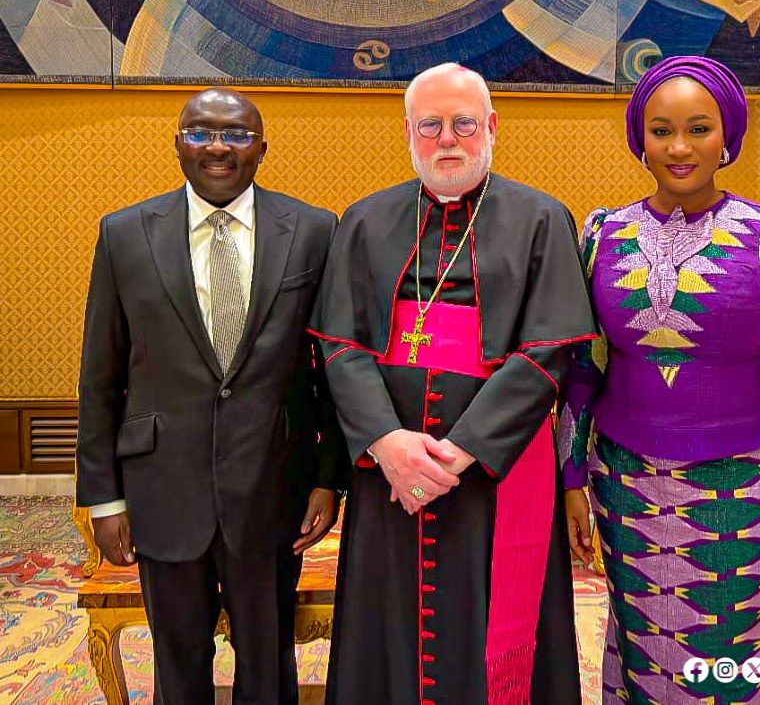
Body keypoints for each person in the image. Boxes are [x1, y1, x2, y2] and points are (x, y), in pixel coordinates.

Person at [310, 62, 597, 704]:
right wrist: (389, 443)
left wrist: (456, 453)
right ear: (408, 132)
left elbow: (546, 354)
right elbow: (340, 346)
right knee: (390, 628)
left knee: (491, 616)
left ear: (491, 127)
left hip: (493, 475)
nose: (448, 139)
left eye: (464, 123)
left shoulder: (542, 218)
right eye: (431, 125)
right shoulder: (364, 220)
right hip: (389, 476)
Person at [560, 55, 760, 704]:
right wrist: (571, 476)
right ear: (640, 139)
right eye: (661, 130)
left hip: (740, 490)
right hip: (626, 486)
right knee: (641, 647)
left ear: (728, 136)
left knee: (726, 655)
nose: (679, 147)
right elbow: (581, 372)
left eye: (698, 128)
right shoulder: (602, 236)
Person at [75, 88, 346, 704]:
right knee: (177, 662)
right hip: (161, 489)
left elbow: (329, 373)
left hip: (272, 487)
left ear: (262, 149)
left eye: (237, 134)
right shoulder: (124, 235)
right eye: (200, 133)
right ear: (177, 144)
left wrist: (329, 479)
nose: (218, 147)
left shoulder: (311, 230)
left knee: (267, 661)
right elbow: (100, 378)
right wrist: (104, 498)